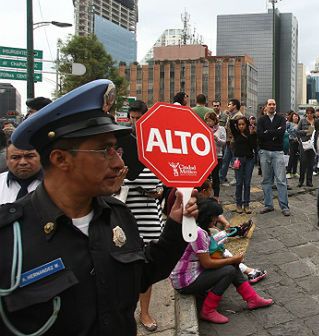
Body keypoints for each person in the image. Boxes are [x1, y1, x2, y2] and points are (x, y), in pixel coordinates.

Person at [0, 79, 198, 335]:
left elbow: (142, 274)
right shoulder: (8, 236)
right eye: (105, 150)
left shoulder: (117, 214)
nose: (118, 164)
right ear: (60, 159)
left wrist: (176, 225)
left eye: (116, 149)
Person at [170, 198, 273, 324]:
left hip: (190, 274)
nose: (216, 220)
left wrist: (231, 260)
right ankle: (208, 310)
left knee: (232, 266)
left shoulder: (196, 227)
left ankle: (253, 299)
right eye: (215, 217)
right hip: (185, 281)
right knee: (229, 270)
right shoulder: (198, 233)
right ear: (208, 217)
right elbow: (207, 263)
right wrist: (232, 260)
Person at [120, 167, 164, 332]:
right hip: (125, 221)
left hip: (149, 221)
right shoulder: (119, 159)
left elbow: (160, 187)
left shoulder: (152, 161)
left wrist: (157, 192)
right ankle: (125, 312)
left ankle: (144, 313)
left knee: (146, 269)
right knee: (124, 271)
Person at [257, 99, 290, 216]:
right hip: (264, 152)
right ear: (266, 106)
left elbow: (281, 133)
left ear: (276, 106)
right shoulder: (261, 120)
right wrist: (274, 132)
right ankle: (268, 205)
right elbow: (259, 134)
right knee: (266, 180)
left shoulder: (281, 119)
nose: (272, 106)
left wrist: (268, 133)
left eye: (274, 104)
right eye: (269, 104)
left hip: (278, 152)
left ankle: (284, 206)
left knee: (281, 180)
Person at [230, 116, 257, 213]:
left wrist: (252, 134)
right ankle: (238, 204)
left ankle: (246, 204)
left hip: (249, 159)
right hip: (238, 159)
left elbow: (254, 146)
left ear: (246, 125)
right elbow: (231, 122)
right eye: (239, 124)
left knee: (247, 183)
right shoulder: (236, 133)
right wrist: (238, 118)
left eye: (243, 124)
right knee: (239, 183)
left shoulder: (251, 133)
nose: (241, 126)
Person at [220, 99, 244, 185]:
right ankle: (221, 177)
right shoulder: (231, 115)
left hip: (235, 143)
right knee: (226, 160)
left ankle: (237, 178)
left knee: (235, 161)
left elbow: (238, 131)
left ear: (234, 106)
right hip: (229, 142)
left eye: (230, 104)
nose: (228, 106)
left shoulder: (238, 116)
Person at [205, 111, 226, 200]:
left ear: (214, 120)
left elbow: (224, 142)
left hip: (217, 156)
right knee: (206, 177)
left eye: (209, 121)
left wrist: (217, 139)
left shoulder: (221, 129)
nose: (208, 123)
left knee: (215, 176)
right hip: (206, 156)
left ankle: (216, 196)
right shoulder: (205, 128)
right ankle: (206, 194)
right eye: (207, 121)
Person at [297, 107, 316, 187]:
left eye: (311, 113)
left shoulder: (316, 121)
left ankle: (309, 181)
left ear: (313, 113)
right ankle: (301, 180)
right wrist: (305, 131)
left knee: (311, 162)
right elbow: (297, 131)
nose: (309, 114)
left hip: (312, 143)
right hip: (304, 143)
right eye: (308, 113)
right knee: (303, 161)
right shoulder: (302, 121)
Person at [286, 111, 301, 178]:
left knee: (296, 157)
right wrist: (291, 137)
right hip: (291, 141)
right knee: (291, 156)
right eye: (295, 116)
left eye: (297, 116)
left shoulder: (299, 124)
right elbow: (285, 131)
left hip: (298, 142)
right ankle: (288, 172)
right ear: (292, 117)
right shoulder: (289, 123)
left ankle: (294, 172)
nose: (296, 117)